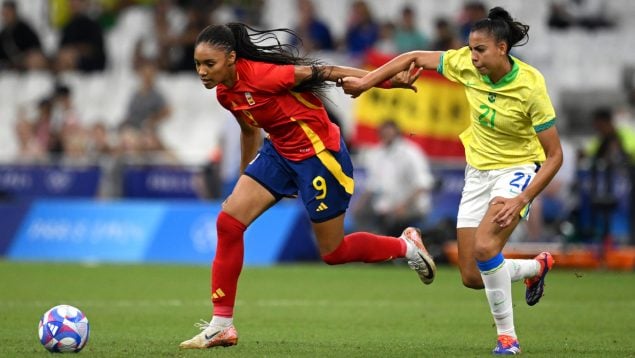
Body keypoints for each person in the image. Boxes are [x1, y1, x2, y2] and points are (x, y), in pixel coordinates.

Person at [179, 22, 435, 350]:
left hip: (319, 155)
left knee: (333, 252)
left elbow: (325, 70)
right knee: (228, 222)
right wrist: (246, 176)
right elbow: (249, 131)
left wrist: (384, 81)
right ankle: (222, 325)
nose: (202, 71)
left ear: (231, 58)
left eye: (209, 64)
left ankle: (406, 246)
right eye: (198, 64)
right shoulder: (225, 93)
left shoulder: (263, 75)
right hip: (280, 151)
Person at [341, 7, 563, 355]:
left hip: (517, 169)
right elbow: (413, 56)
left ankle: (508, 339)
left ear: (502, 49)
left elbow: (555, 156)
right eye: (471, 49)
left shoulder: (530, 85)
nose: (472, 57)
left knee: (487, 248)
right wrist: (367, 83)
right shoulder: (463, 63)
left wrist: (522, 198)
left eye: (481, 50)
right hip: (477, 173)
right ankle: (537, 266)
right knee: (473, 276)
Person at [353, 120, 434, 237]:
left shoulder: (411, 153)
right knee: (361, 214)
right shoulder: (376, 153)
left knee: (391, 223)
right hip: (387, 209)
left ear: (397, 133)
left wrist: (403, 206)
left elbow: (423, 184)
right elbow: (373, 184)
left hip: (410, 208)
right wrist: (359, 205)